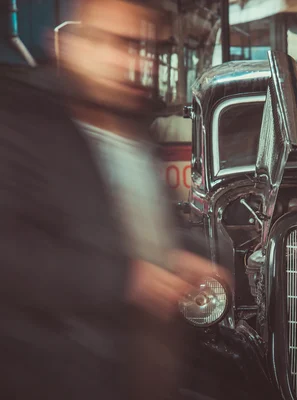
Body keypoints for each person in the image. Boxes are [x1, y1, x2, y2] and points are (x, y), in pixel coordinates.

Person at [0, 1, 223, 399]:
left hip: (144, 373)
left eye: (137, 45)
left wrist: (184, 255)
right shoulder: (20, 123)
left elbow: (151, 223)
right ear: (66, 44)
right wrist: (125, 278)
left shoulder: (134, 125)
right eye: (111, 43)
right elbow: (12, 253)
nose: (126, 60)